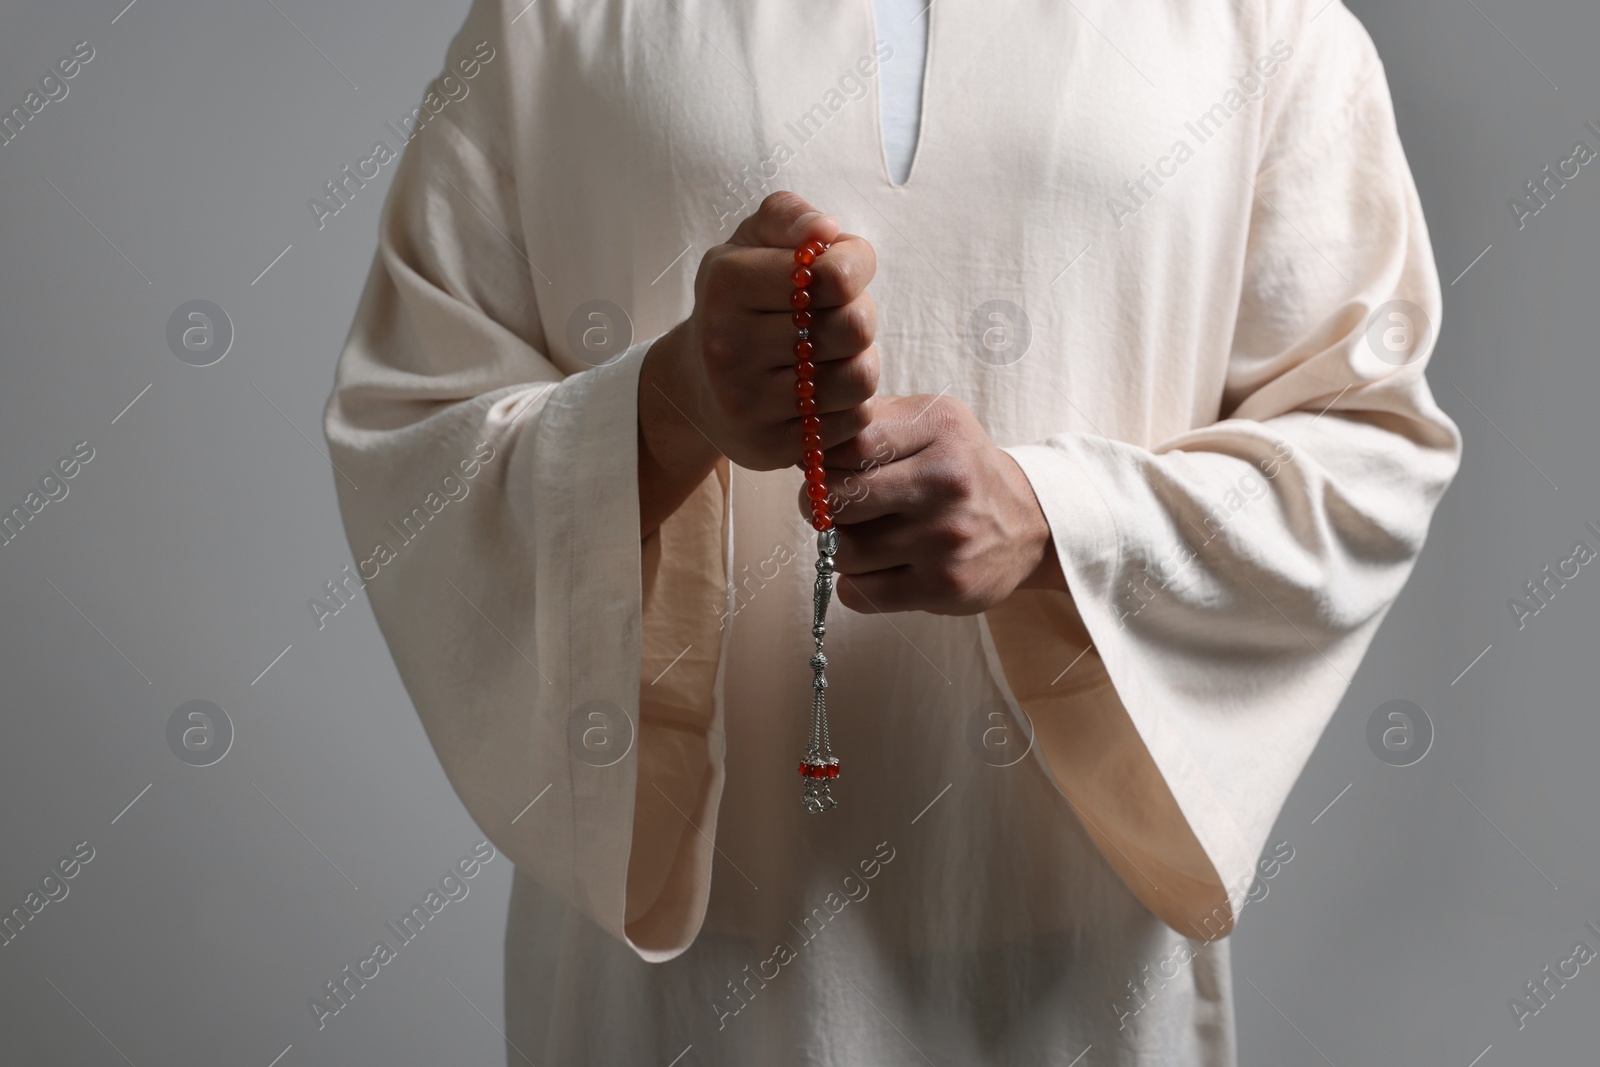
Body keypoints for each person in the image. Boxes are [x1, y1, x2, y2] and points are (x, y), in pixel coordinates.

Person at [323, 0, 1461, 1062]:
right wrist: (668, 410)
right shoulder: (550, 21)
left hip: (1072, 981)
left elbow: (1364, 445)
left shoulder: (1259, 24)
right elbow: (412, 432)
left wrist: (1058, 523)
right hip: (683, 1002)